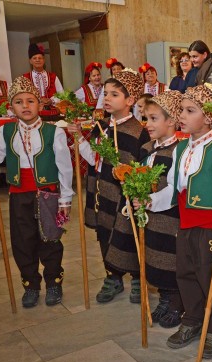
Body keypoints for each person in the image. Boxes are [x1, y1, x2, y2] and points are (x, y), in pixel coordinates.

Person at [146, 84, 212, 358]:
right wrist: (150, 202)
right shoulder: (181, 147)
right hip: (186, 223)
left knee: (211, 276)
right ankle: (193, 319)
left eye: (190, 111)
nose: (182, 116)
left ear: (209, 117)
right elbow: (176, 190)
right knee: (185, 273)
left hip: (210, 225)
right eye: (182, 110)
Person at [0, 76, 74, 308]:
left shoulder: (53, 132)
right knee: (22, 241)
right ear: (11, 108)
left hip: (47, 194)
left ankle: (53, 282)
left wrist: (65, 198)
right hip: (19, 195)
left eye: (30, 101)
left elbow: (64, 167)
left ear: (40, 104)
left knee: (49, 239)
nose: (25, 106)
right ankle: (30, 284)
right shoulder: (7, 131)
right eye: (19, 102)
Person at [71, 70, 151, 304]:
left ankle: (137, 277)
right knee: (105, 233)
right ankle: (112, 276)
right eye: (105, 93)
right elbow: (93, 158)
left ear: (129, 100)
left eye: (114, 94)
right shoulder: (101, 126)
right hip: (102, 190)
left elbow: (142, 166)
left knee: (128, 234)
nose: (106, 98)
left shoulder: (138, 131)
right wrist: (79, 139)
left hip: (125, 196)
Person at [137, 91, 184, 328]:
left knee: (170, 259)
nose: (148, 124)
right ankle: (165, 298)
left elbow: (176, 188)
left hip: (171, 217)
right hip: (151, 216)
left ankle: (176, 301)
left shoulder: (179, 150)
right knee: (154, 256)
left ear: (171, 121)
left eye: (154, 118)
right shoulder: (146, 148)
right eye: (146, 118)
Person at [23, 44, 64, 110]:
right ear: (30, 61)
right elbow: (22, 97)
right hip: (33, 113)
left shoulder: (53, 77)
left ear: (44, 60)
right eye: (34, 58)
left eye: (40, 58)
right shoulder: (25, 78)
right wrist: (38, 100)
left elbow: (62, 95)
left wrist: (51, 101)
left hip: (53, 113)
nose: (37, 60)